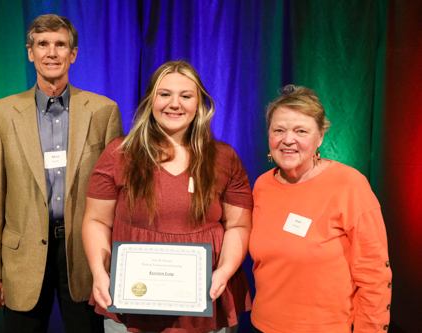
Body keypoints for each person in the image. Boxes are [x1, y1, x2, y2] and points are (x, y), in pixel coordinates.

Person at [82, 60, 253, 333]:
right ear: (151, 101)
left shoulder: (224, 157)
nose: (175, 104)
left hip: (205, 302)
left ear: (198, 104)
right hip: (131, 302)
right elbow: (97, 221)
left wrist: (224, 272)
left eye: (185, 96)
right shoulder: (119, 153)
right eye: (165, 94)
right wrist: (100, 273)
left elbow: (239, 225)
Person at [0, 14, 123, 333]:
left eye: (60, 44)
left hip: (85, 253)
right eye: (43, 44)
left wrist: (118, 262)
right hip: (23, 256)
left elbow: (117, 193)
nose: (52, 52)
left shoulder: (103, 111)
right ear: (30, 52)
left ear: (73, 54)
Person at [249, 85, 392, 333]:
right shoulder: (262, 185)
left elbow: (374, 275)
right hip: (264, 325)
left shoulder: (349, 185)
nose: (288, 139)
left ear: (320, 138)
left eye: (301, 131)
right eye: (278, 130)